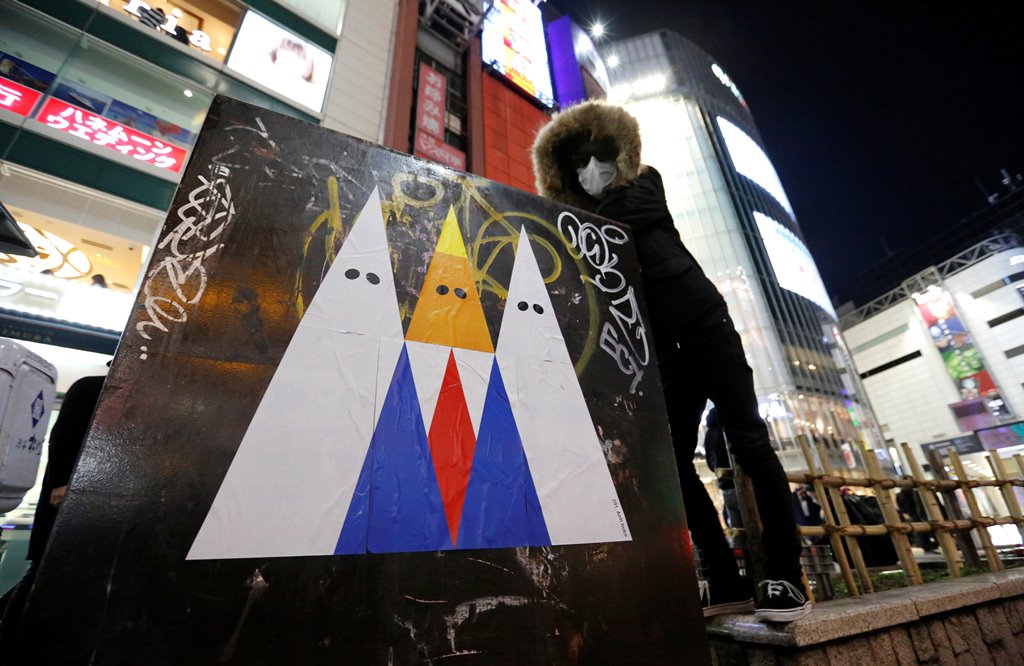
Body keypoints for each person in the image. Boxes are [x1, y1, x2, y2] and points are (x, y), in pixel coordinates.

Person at [532, 101, 810, 622]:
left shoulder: (644, 185)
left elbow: (625, 214)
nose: (591, 171)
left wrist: (569, 225)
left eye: (600, 156)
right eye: (577, 165)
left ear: (620, 152)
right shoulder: (582, 225)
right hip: (659, 355)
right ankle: (725, 580)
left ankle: (786, 577)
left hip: (706, 327)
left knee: (749, 441)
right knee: (673, 467)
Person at [0, 374, 106, 648]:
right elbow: (62, 440)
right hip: (65, 501)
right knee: (40, 576)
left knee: (48, 579)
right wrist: (61, 483)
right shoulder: (92, 387)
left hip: (93, 509)